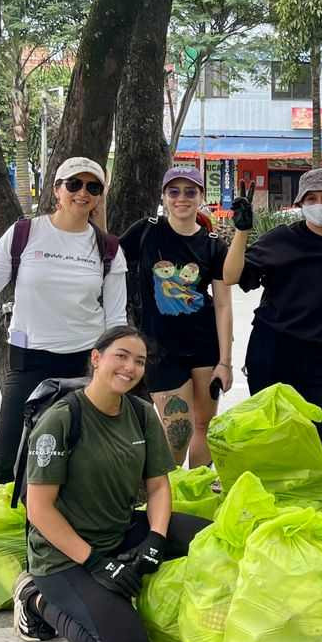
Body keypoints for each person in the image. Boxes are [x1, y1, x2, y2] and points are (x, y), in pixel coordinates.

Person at [0, 156, 128, 598]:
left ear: (99, 197)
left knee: (73, 469)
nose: (82, 193)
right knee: (4, 462)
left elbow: (114, 323)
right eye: (73, 184)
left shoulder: (108, 249)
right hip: (28, 363)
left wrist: (113, 373)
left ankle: (57, 560)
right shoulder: (24, 234)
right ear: (56, 188)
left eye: (92, 187)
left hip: (82, 371)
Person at [10, 325, 211, 642]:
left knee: (212, 539)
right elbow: (39, 510)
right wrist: (95, 563)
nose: (130, 367)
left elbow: (159, 486)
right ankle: (34, 598)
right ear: (96, 358)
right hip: (64, 555)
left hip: (119, 531)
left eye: (140, 361)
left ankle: (121, 585)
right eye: (121, 356)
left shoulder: (140, 412)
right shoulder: (62, 420)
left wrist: (155, 539)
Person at [238, 167, 322, 509]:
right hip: (272, 350)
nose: (320, 205)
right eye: (312, 199)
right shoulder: (280, 239)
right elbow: (237, 277)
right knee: (274, 437)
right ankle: (275, 508)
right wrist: (241, 232)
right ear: (300, 203)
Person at [120, 166, 251, 466]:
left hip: (205, 348)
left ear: (201, 197)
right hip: (160, 350)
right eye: (174, 192)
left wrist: (225, 362)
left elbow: (224, 298)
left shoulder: (212, 244)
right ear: (164, 197)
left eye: (190, 191)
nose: (182, 198)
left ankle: (196, 498)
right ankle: (166, 501)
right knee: (177, 433)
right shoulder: (146, 231)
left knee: (204, 426)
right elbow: (107, 255)